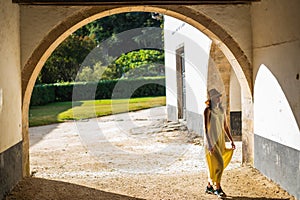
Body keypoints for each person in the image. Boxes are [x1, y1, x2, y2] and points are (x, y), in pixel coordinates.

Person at [204, 88, 236, 198]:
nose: (218, 98)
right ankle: (218, 188)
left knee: (214, 165)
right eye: (216, 97)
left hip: (220, 140)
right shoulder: (207, 111)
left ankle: (209, 186)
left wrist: (231, 140)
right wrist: (209, 144)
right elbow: (206, 129)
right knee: (219, 164)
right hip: (211, 141)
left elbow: (225, 127)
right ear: (211, 98)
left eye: (219, 96)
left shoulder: (222, 110)